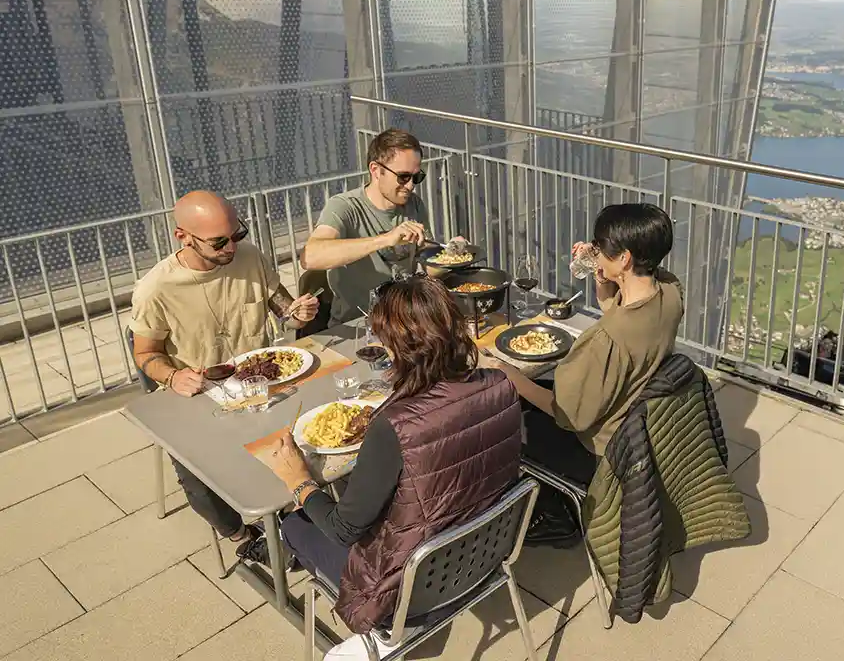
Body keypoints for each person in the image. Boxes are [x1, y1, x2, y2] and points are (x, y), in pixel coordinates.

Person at [256, 274, 522, 634]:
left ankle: (374, 634)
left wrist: (298, 481)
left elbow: (343, 529)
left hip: (411, 590)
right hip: (485, 555)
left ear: (399, 348)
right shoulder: (501, 385)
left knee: (292, 524)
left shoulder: (393, 426)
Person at [129, 190, 320, 557]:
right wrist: (171, 377)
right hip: (200, 397)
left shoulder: (249, 258)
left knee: (319, 428)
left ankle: (299, 513)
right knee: (199, 482)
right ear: (182, 236)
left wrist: (298, 313)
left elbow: (282, 309)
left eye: (238, 235)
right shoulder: (156, 289)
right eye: (219, 242)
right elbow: (146, 354)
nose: (231, 248)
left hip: (264, 386)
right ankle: (241, 537)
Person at [480, 202, 683, 543]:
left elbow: (567, 413)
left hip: (600, 449)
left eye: (600, 247)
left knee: (505, 418)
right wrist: (603, 273)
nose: (595, 251)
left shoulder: (608, 341)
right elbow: (616, 310)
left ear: (626, 259)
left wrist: (509, 374)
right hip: (633, 419)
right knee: (532, 389)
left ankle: (558, 516)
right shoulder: (671, 293)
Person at [301, 129, 433, 324]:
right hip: (356, 326)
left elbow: (430, 264)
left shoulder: (414, 204)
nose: (411, 185)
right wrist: (385, 239)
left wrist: (451, 255)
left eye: (417, 177)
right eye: (403, 177)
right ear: (375, 170)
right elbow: (310, 257)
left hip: (404, 322)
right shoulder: (344, 206)